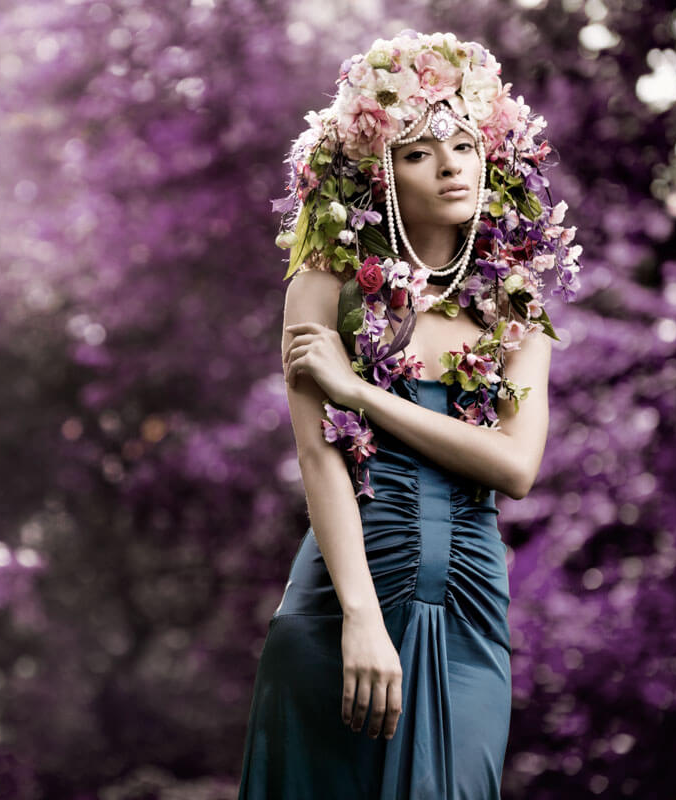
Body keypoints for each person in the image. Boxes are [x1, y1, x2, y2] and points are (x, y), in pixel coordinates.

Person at [236, 31, 582, 799]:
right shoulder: (326, 283)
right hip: (343, 597)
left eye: (464, 145)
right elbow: (319, 460)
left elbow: (515, 467)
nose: (451, 165)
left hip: (467, 600)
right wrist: (359, 617)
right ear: (380, 170)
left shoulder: (517, 304)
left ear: (490, 154)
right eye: (420, 152)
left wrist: (363, 394)